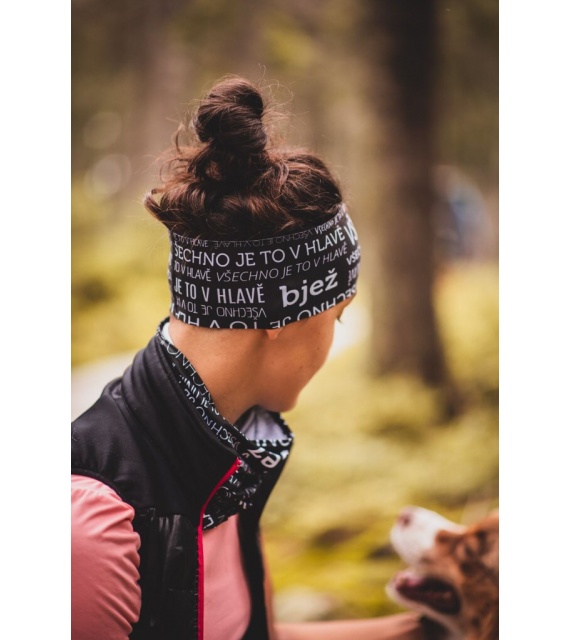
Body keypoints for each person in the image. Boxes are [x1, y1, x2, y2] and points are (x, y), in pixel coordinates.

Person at [71, 76, 429, 640]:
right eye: (336, 318)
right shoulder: (90, 532)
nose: (332, 340)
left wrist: (426, 630)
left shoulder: (232, 452)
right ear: (283, 315)